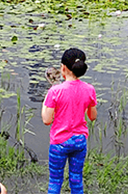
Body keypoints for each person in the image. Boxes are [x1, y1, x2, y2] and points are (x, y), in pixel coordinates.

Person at [41, 48, 97, 194]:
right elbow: (92, 116)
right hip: (79, 141)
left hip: (59, 142)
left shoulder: (55, 91)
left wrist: (45, 104)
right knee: (76, 179)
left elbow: (47, 120)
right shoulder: (89, 89)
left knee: (55, 181)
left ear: (63, 68)